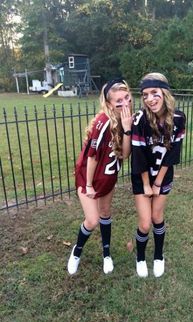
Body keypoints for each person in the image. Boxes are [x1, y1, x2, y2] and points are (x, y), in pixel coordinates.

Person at [67, 78, 133, 275]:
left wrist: (128, 128)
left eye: (127, 97)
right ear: (109, 103)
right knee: (93, 219)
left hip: (108, 178)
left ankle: (106, 254)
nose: (124, 103)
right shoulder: (103, 121)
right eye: (118, 101)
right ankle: (76, 252)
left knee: (105, 213)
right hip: (89, 178)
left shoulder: (127, 119)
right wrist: (88, 185)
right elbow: (92, 156)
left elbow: (126, 154)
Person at [131, 72, 186, 278]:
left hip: (163, 175)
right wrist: (147, 184)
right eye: (145, 94)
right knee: (145, 223)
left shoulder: (179, 118)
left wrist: (158, 183)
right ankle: (140, 258)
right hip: (142, 176)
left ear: (165, 93)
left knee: (157, 217)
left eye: (154, 93)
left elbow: (173, 153)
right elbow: (138, 154)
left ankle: (158, 256)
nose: (149, 99)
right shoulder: (140, 119)